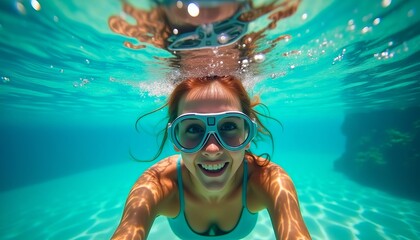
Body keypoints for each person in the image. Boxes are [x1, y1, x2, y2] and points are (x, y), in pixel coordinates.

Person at [111, 75, 311, 239]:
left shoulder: (268, 180)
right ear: (175, 139)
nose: (212, 149)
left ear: (248, 134)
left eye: (229, 126)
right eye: (194, 128)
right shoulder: (158, 184)